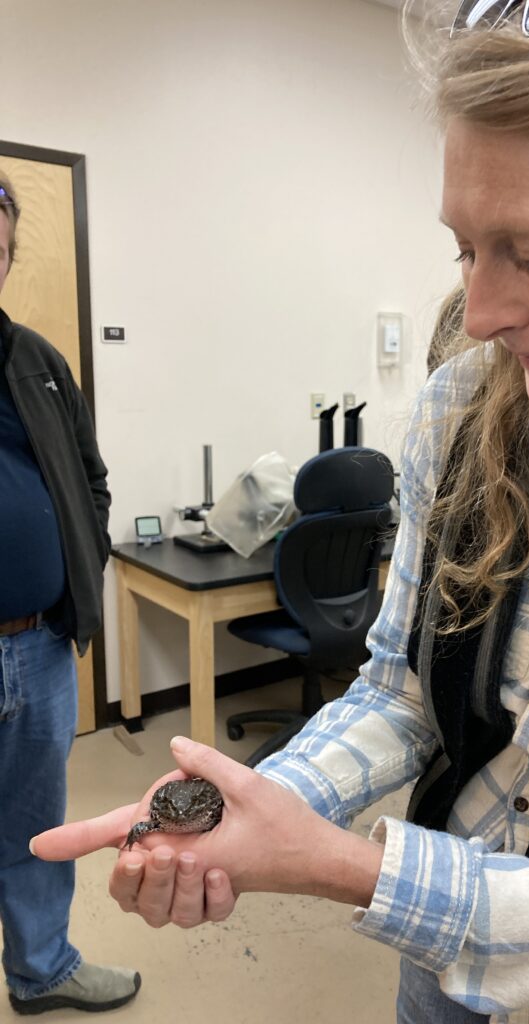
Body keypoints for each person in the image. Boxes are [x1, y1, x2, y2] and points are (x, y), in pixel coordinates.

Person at [29, 0, 529, 1020]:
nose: (482, 315)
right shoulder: (462, 413)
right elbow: (405, 689)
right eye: (465, 250)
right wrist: (263, 805)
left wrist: (345, 866)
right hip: (443, 975)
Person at [0, 174, 141, 1015]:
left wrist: (82, 566)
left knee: (36, 826)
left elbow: (91, 478)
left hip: (40, 647)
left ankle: (41, 970)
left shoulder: (37, 362)